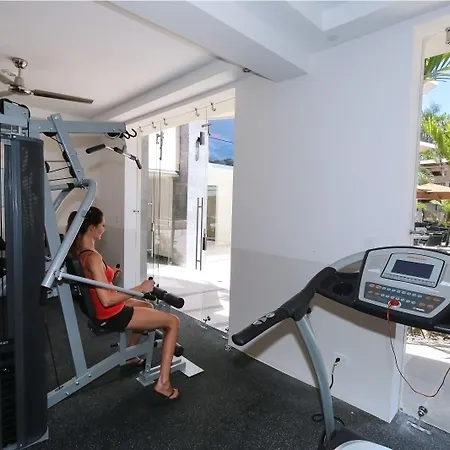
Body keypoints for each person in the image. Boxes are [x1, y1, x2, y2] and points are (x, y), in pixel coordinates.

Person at [66, 206, 180, 401]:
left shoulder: (82, 253)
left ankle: (130, 355)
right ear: (92, 228)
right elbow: (107, 300)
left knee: (148, 306)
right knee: (173, 322)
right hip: (111, 313)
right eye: (102, 225)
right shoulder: (93, 257)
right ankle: (163, 383)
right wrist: (141, 288)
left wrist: (110, 275)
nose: (104, 229)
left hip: (105, 310)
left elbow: (98, 284)